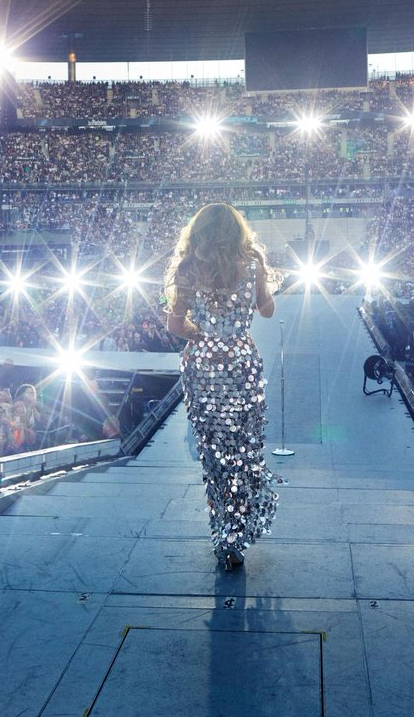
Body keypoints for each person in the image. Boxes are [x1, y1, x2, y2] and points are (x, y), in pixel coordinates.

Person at [165, 202, 278, 571]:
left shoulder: (187, 268)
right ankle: (239, 529)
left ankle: (222, 533)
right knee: (244, 449)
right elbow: (267, 310)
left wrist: (205, 336)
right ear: (237, 231)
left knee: (214, 452)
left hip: (203, 367)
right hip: (242, 363)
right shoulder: (252, 264)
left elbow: (175, 326)